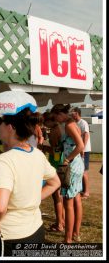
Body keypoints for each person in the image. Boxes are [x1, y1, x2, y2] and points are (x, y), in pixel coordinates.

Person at [0, 107, 60, 256]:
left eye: (1, 121)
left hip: (10, 236)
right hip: (36, 230)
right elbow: (55, 182)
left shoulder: (5, 160)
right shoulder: (37, 154)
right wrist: (31, 198)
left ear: (11, 127)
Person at [50, 104, 85, 243]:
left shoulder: (69, 125)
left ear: (60, 114)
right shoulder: (72, 123)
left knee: (68, 204)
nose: (56, 120)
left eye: (55, 117)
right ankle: (75, 233)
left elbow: (81, 145)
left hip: (71, 167)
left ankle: (68, 239)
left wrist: (67, 159)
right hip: (76, 166)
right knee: (76, 200)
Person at [42, 111, 65, 232]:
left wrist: (44, 147)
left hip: (57, 164)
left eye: (45, 122)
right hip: (60, 164)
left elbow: (56, 153)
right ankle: (62, 221)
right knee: (61, 196)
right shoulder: (60, 128)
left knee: (56, 197)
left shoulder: (55, 131)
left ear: (50, 121)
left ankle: (59, 224)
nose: (45, 125)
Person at [71, 107, 91, 199]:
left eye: (73, 113)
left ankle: (86, 192)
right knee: (80, 169)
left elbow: (86, 135)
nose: (72, 115)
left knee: (84, 171)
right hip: (79, 149)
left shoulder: (83, 122)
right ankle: (82, 190)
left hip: (84, 150)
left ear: (77, 113)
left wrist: (83, 147)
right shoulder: (75, 123)